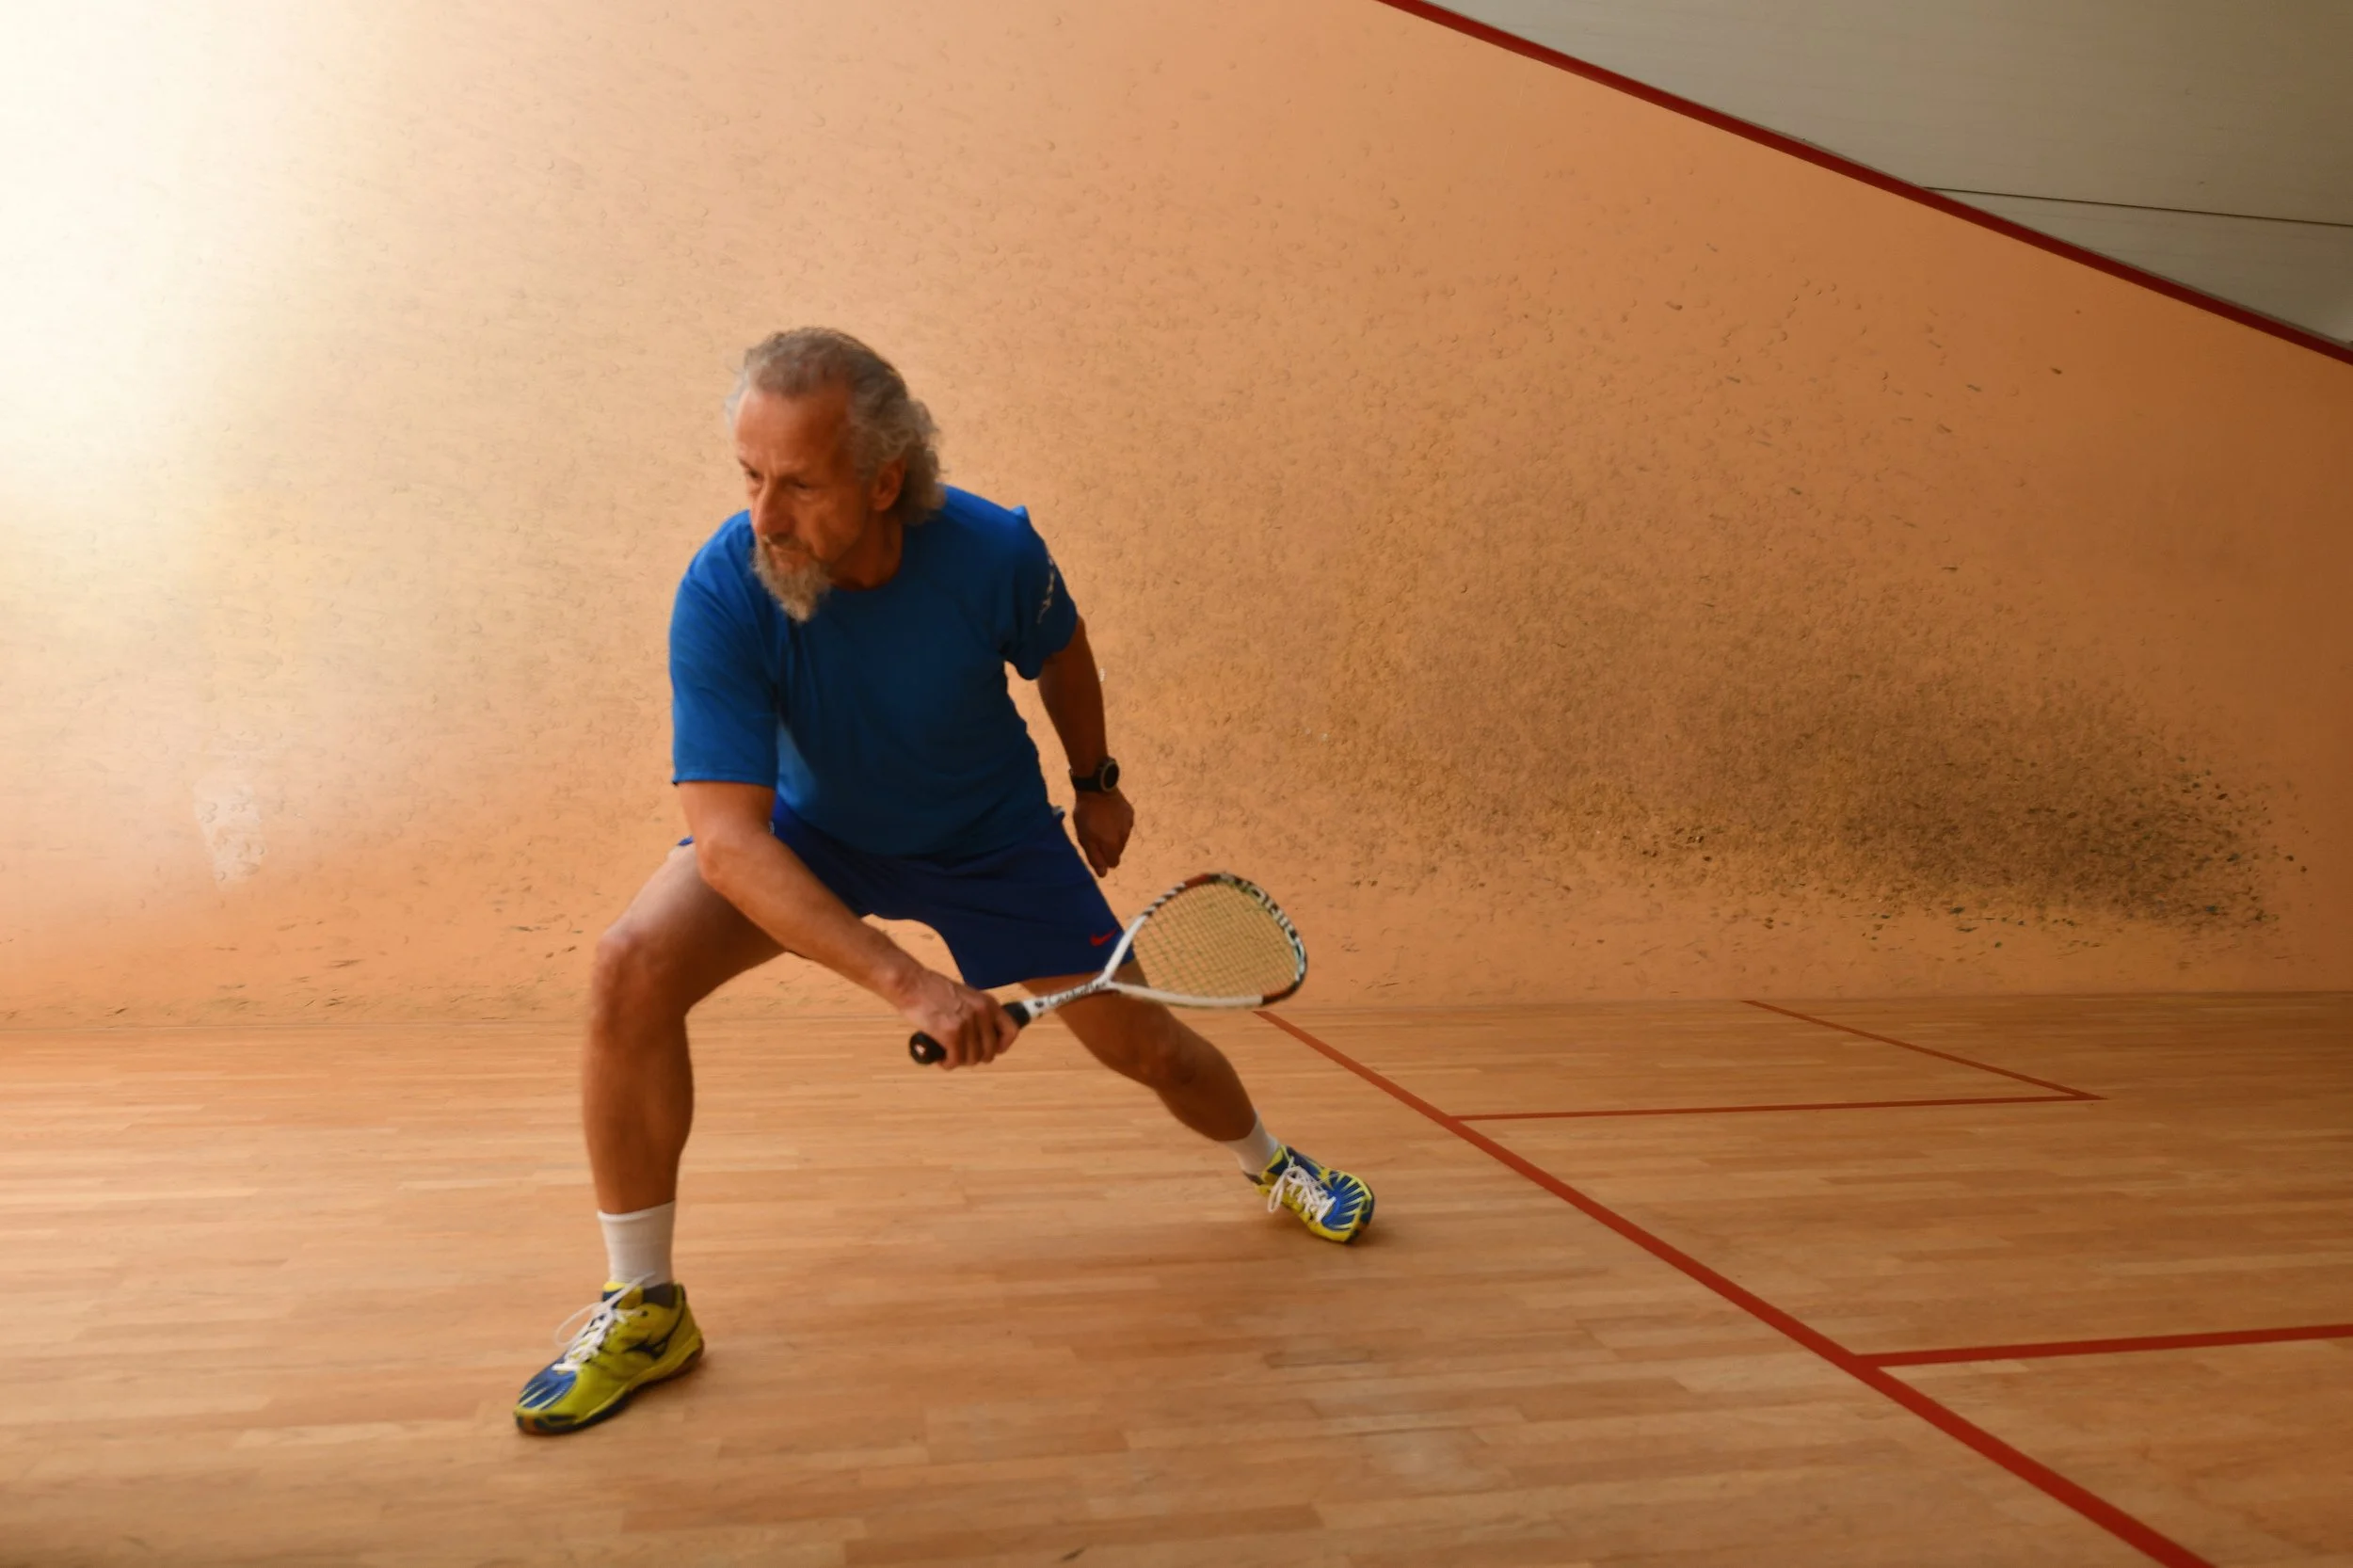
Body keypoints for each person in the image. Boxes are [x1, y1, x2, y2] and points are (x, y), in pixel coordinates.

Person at [514, 328, 1374, 1434]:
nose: (764, 516)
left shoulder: (992, 552)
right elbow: (727, 845)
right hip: (815, 837)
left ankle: (1273, 1162)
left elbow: (1061, 649)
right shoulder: (726, 585)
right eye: (749, 477)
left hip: (992, 842)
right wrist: (910, 983)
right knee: (629, 966)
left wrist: (1095, 783)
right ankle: (644, 1306)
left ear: (884, 480)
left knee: (1151, 1047)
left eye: (798, 485)